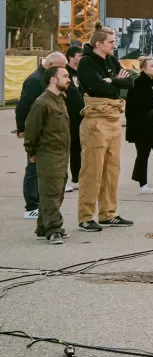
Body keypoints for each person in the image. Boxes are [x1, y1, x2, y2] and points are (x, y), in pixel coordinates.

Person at [75, 28, 135, 232]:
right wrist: (113, 83)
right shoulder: (86, 62)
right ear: (98, 44)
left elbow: (129, 82)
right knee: (92, 170)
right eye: (110, 41)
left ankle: (108, 213)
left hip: (113, 117)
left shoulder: (111, 59)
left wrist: (113, 81)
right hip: (96, 118)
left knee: (112, 169)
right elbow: (99, 87)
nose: (113, 44)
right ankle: (85, 216)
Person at [23, 65, 73, 243]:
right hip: (48, 153)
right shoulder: (42, 102)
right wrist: (31, 151)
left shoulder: (59, 99)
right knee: (50, 192)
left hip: (61, 153)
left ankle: (43, 225)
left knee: (58, 190)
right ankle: (53, 229)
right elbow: (31, 129)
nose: (69, 79)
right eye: (65, 76)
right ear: (53, 79)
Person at [15, 51, 66, 221]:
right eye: (61, 67)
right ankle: (31, 206)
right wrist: (22, 128)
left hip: (47, 131)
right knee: (32, 167)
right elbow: (23, 106)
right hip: (36, 131)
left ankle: (41, 206)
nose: (63, 71)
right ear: (50, 67)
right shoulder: (35, 81)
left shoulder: (45, 80)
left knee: (42, 171)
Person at [124, 57, 153, 195]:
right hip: (142, 126)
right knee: (143, 155)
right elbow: (133, 108)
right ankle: (143, 184)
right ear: (143, 68)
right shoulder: (138, 83)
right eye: (152, 66)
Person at [64, 43, 84, 190]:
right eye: (79, 55)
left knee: (78, 147)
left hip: (81, 117)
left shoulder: (82, 72)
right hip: (69, 116)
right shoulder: (66, 73)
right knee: (67, 148)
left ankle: (76, 178)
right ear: (71, 58)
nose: (82, 57)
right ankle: (64, 180)